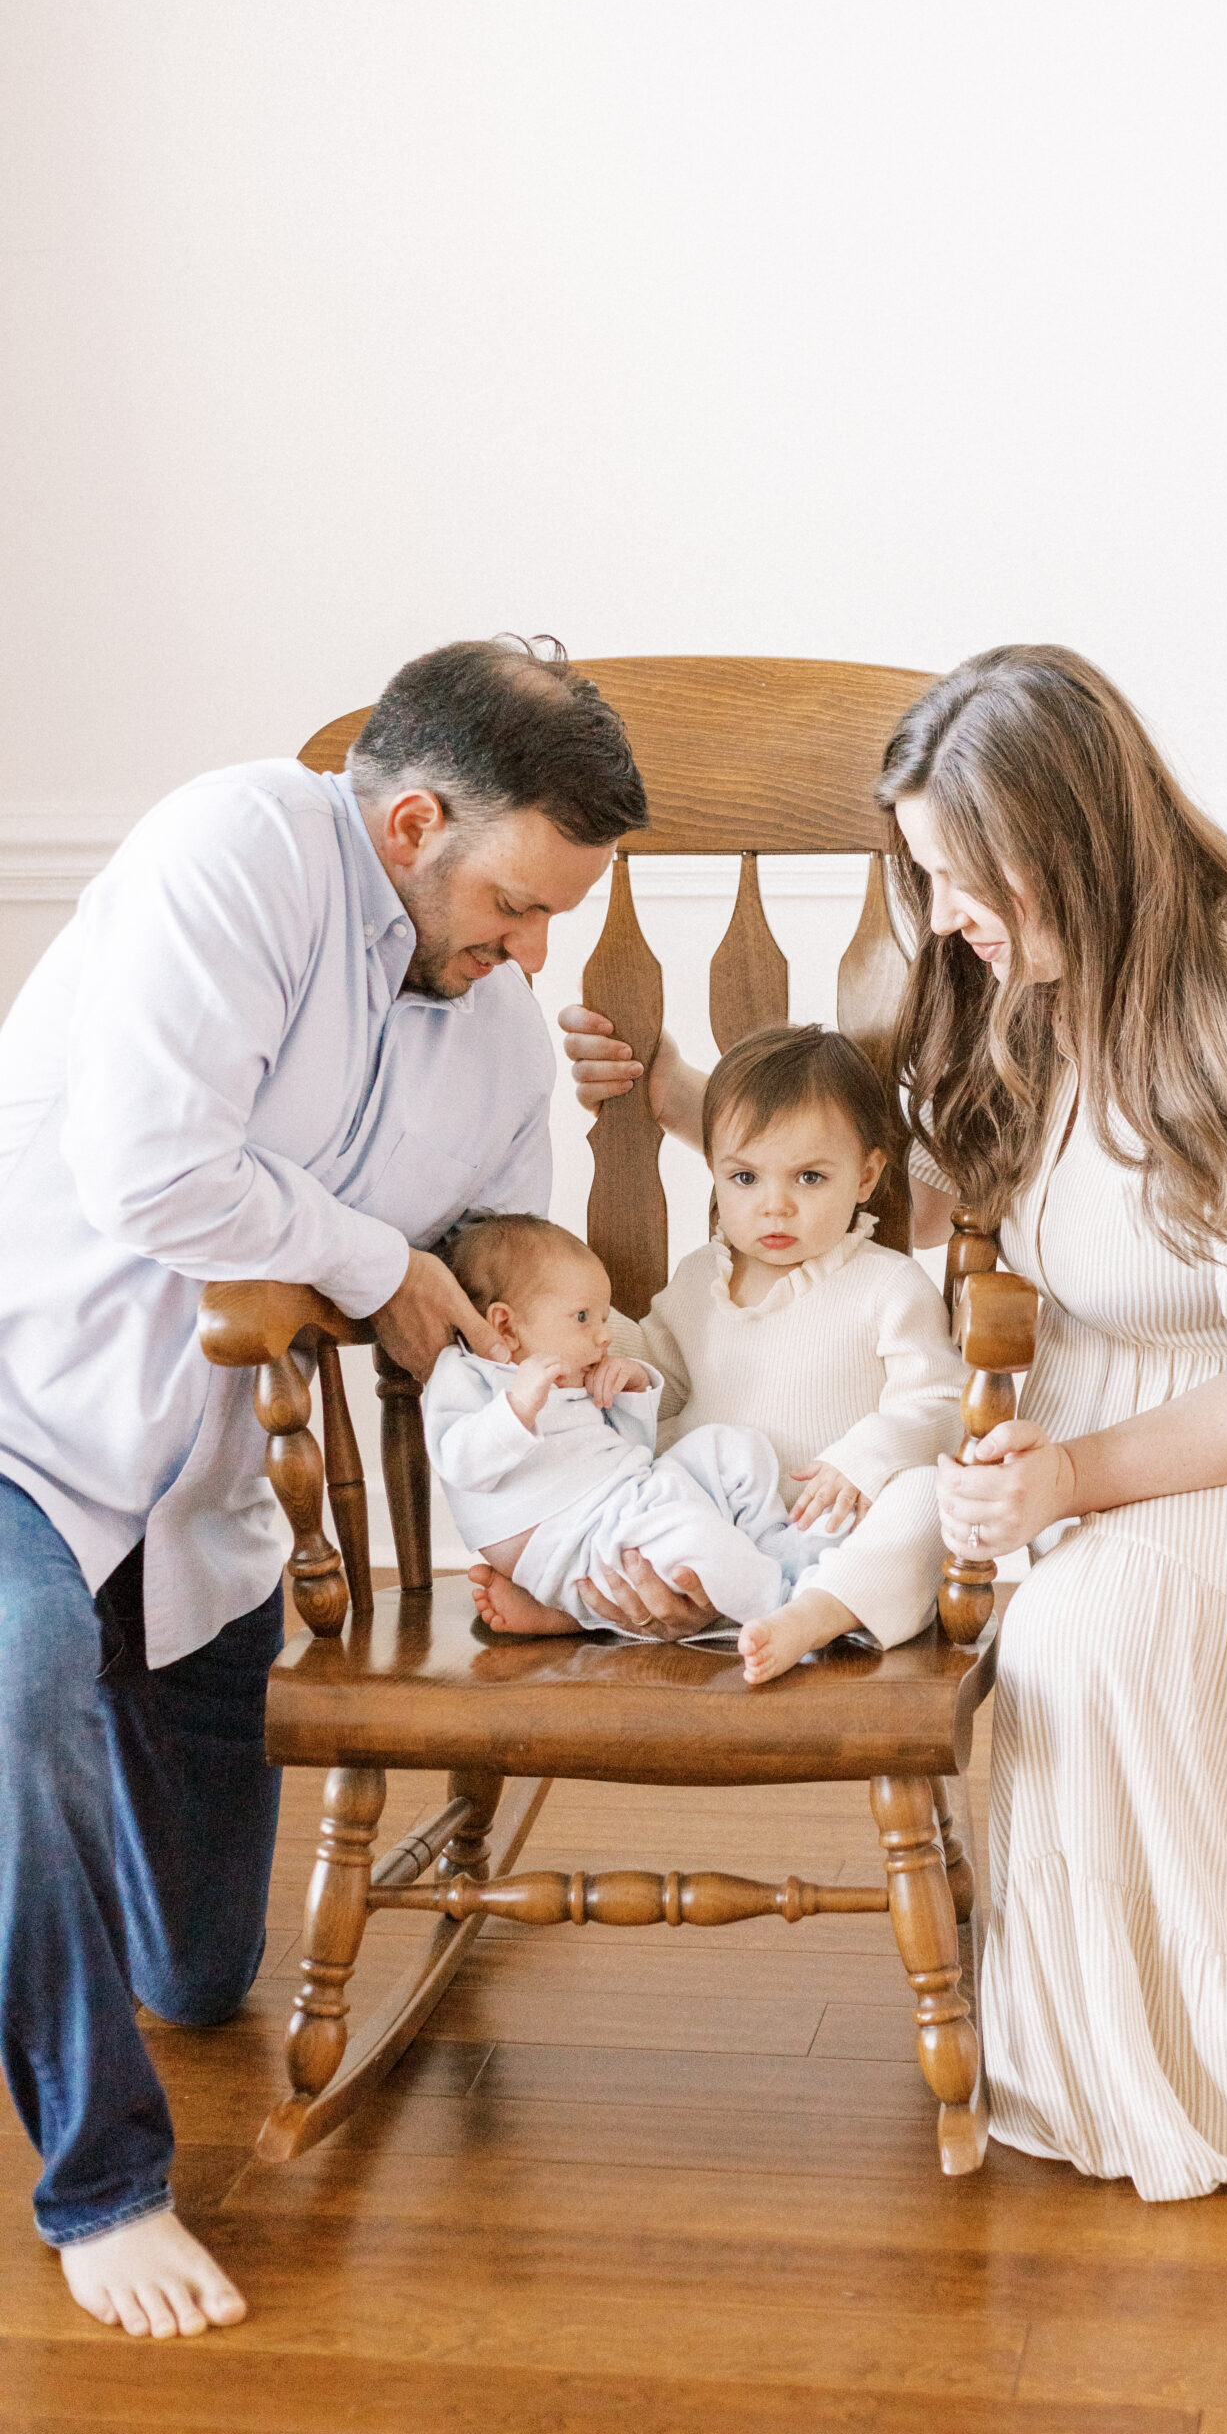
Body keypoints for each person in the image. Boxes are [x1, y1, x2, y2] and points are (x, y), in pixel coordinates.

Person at [562, 643, 1227, 2198]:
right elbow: (871, 1183)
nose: (952, 917)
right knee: (1041, 1612)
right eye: (926, 879)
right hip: (1134, 1397)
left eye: (976, 880)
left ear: (1082, 848)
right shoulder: (1014, 983)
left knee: (1081, 1637)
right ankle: (1164, 2002)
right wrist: (671, 1092)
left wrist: (1080, 1480)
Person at [0, 634, 647, 2337]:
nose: (531, 951)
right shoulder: (239, 849)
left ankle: (44, 1881)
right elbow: (149, 1167)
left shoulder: (500, 1041)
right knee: (18, 1692)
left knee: (200, 1975)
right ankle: (101, 2191)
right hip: (23, 1421)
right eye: (515, 904)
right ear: (413, 820)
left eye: (558, 919)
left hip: (202, 1515)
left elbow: (479, 1314)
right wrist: (370, 1258)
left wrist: (578, 1520)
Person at [620, 1023, 965, 1683]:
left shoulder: (886, 1285)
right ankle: (566, 1596)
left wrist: (867, 1461)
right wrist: (607, 1348)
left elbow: (942, 1403)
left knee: (930, 1496)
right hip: (711, 1533)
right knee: (617, 1479)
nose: (773, 1206)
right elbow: (661, 1379)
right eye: (745, 1177)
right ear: (716, 1172)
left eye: (809, 1177)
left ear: (865, 1176)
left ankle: (817, 1612)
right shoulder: (699, 1279)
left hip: (835, 1538)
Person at [427, 1212, 834, 1637]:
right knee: (692, 1535)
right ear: (505, 1326)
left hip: (632, 1493)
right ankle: (788, 1604)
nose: (603, 1336)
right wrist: (515, 1409)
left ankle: (769, 1542)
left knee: (731, 1446)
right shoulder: (469, 1375)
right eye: (583, 1317)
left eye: (603, 1318)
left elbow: (628, 1449)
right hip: (580, 1538)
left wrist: (632, 1390)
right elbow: (458, 1464)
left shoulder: (571, 1369)